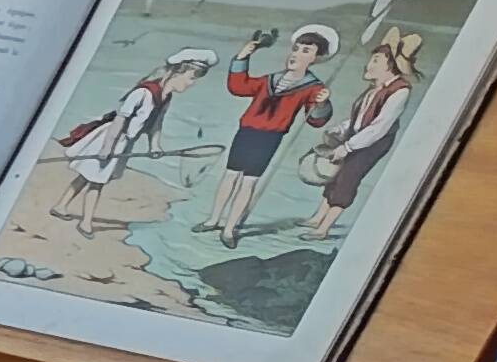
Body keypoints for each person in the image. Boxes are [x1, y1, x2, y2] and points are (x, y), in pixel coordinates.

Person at [49, 47, 216, 235]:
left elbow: (156, 124)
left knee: (89, 175)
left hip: (124, 143)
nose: (192, 83)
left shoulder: (166, 98)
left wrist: (155, 146)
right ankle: (86, 222)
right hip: (110, 138)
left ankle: (60, 206)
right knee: (96, 181)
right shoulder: (142, 93)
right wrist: (107, 147)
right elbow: (119, 121)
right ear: (177, 72)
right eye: (191, 78)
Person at [202, 24, 336, 245]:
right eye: (296, 48)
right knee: (230, 176)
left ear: (315, 58)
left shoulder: (313, 88)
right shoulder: (269, 80)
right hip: (246, 133)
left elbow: (315, 120)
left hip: (269, 139)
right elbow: (239, 87)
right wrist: (243, 56)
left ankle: (229, 229)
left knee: (248, 182)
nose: (296, 54)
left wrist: (323, 104)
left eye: (306, 51)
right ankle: (213, 220)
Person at [301, 25, 426, 240]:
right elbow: (360, 117)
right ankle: (317, 217)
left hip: (372, 143)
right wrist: (340, 130)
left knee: (348, 178)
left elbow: (379, 127)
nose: (370, 64)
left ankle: (324, 228)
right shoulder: (374, 88)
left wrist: (348, 147)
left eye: (376, 60)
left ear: (391, 66)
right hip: (357, 136)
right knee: (334, 176)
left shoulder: (400, 91)